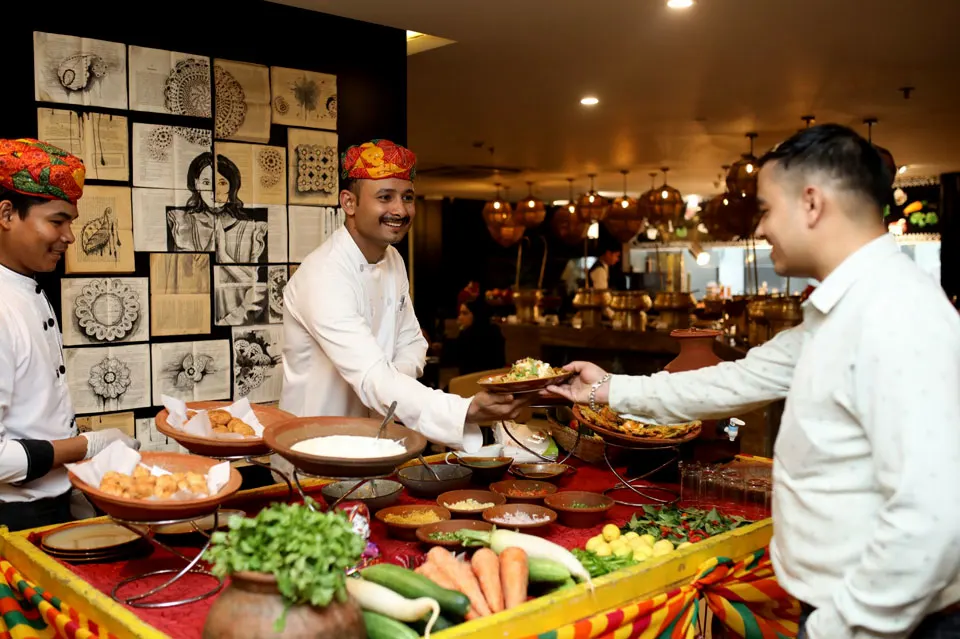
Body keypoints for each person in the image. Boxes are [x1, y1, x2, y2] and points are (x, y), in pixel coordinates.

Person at [547, 124, 960, 639]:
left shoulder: (897, 314)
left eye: (765, 209)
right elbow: (734, 382)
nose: (761, 228)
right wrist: (603, 388)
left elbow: (932, 516)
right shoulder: (844, 309)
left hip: (882, 621)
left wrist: (841, 626)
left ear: (812, 203)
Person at [280, 139, 530, 468]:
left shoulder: (393, 260)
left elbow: (412, 341)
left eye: (407, 197)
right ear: (349, 202)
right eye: (385, 197)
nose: (400, 210)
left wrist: (390, 388)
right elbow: (372, 377)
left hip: (376, 443)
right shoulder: (324, 274)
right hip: (314, 452)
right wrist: (461, 409)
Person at [0, 138, 140, 532]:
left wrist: (76, 470)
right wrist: (87, 446)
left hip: (50, 505)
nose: (69, 237)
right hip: (14, 520)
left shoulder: (24, 287)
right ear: (7, 214)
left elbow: (30, 414)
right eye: (57, 221)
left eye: (71, 223)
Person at [452, 298, 505, 376]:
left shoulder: (467, 335)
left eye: (465, 313)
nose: (460, 317)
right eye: (460, 314)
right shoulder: (495, 330)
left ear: (477, 315)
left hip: (471, 380)